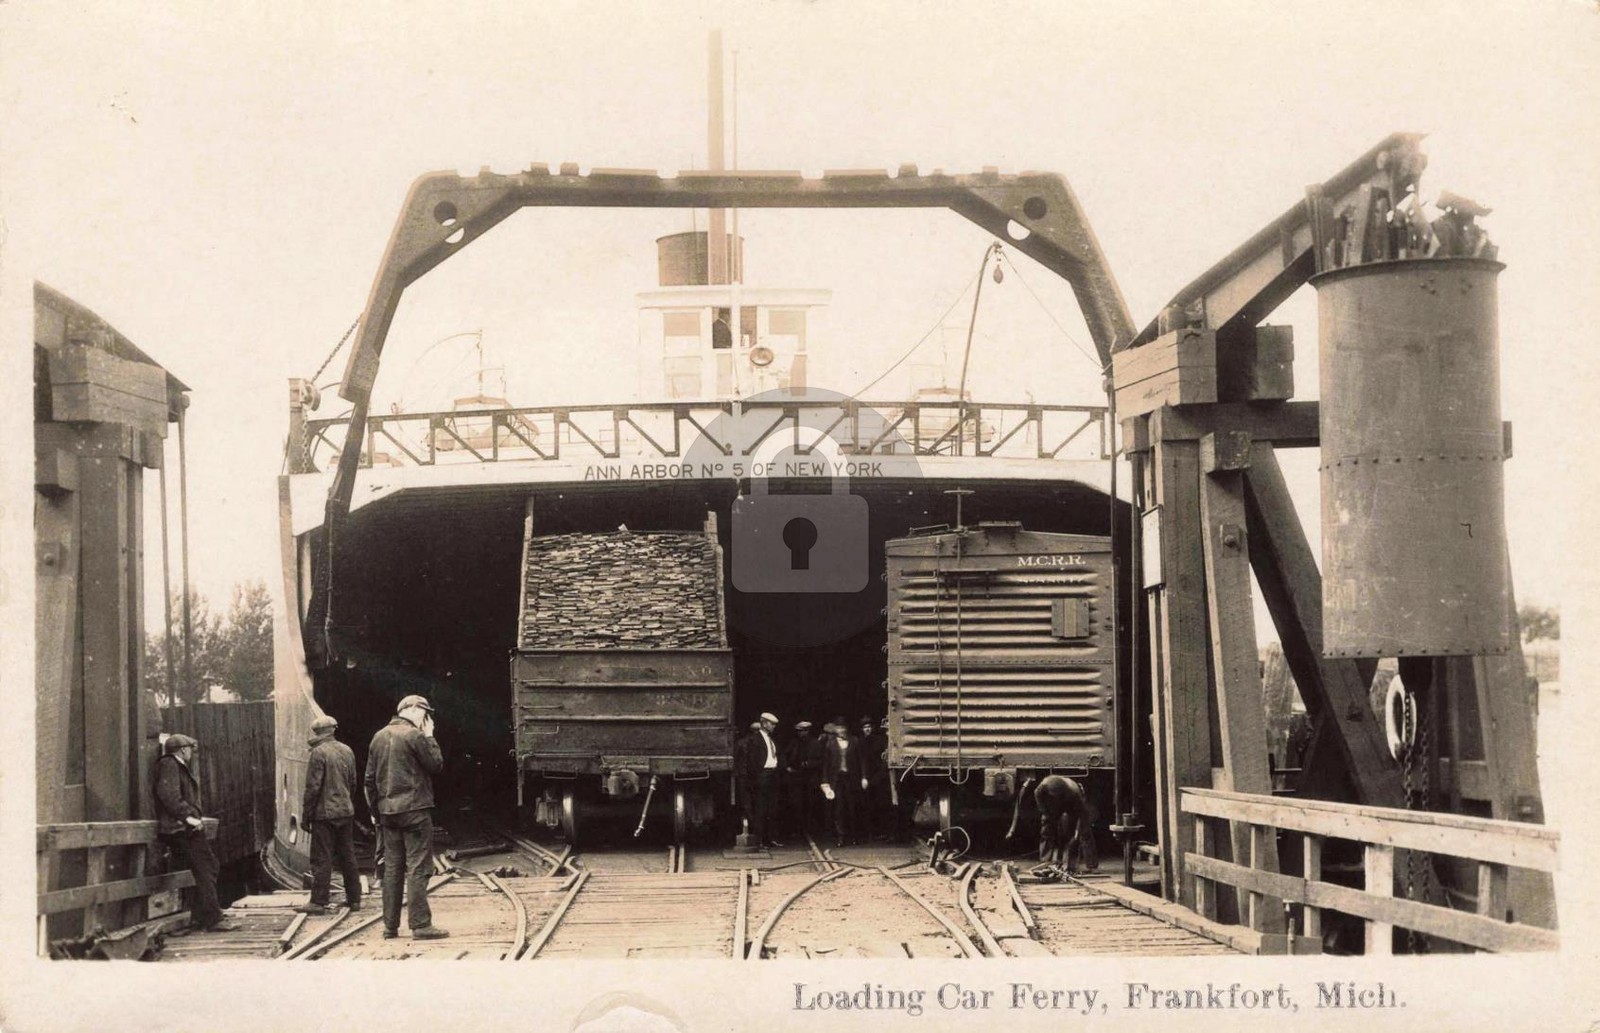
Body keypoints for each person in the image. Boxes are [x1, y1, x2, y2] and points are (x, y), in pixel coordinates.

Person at [365, 695, 447, 940]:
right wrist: (430, 735)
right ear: (411, 710)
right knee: (418, 867)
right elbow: (436, 765)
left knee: (392, 869)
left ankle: (390, 927)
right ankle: (420, 925)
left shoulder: (378, 737)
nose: (426, 718)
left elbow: (369, 780)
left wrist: (375, 813)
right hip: (414, 811)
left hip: (387, 813)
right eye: (425, 713)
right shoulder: (415, 736)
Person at [153, 734, 237, 932]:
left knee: (208, 866)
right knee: (206, 867)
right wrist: (188, 818)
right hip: (182, 828)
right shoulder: (169, 764)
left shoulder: (174, 764)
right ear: (183, 749)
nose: (191, 751)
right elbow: (168, 795)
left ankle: (200, 917)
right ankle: (213, 919)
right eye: (190, 748)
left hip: (184, 827)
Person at [298, 715, 362, 915]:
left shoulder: (318, 753)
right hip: (345, 811)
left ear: (317, 732)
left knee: (321, 858)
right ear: (333, 729)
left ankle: (318, 902)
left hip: (324, 815)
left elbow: (313, 788)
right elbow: (353, 782)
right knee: (348, 856)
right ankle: (354, 899)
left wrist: (306, 816)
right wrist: (346, 803)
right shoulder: (347, 750)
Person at [1034, 774, 1098, 873]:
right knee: (1046, 829)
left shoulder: (1074, 792)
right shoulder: (1041, 789)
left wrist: (1076, 834)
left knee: (1084, 833)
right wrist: (1048, 814)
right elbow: (1040, 802)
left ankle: (1091, 865)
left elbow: (1082, 816)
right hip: (1052, 807)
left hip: (1071, 804)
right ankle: (1045, 861)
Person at [737, 713, 783, 848]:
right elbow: (752, 762)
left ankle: (770, 839)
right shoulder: (754, 740)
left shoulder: (771, 739)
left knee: (772, 808)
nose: (774, 726)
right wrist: (756, 777)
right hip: (762, 776)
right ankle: (760, 840)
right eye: (772, 724)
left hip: (772, 775)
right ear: (764, 723)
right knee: (760, 809)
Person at [820, 717, 863, 847]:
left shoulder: (855, 741)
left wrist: (864, 777)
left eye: (843, 727)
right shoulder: (830, 743)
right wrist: (825, 781)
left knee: (852, 808)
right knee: (839, 809)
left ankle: (854, 836)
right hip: (837, 780)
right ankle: (841, 837)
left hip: (851, 778)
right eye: (839, 728)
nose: (841, 730)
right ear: (836, 730)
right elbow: (826, 764)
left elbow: (862, 761)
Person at [783, 721, 819, 838]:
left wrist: (808, 764)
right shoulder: (794, 743)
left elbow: (821, 761)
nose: (800, 733)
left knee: (810, 804)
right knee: (796, 804)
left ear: (807, 731)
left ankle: (810, 829)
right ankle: (798, 829)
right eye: (798, 731)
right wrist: (787, 767)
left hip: (810, 778)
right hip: (796, 778)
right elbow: (785, 755)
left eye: (802, 731)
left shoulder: (815, 743)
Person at [858, 716, 889, 841]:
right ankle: (867, 832)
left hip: (878, 778)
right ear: (862, 729)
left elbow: (883, 760)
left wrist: (877, 777)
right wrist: (863, 777)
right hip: (864, 778)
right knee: (865, 806)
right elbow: (860, 761)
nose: (867, 729)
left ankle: (880, 831)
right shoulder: (859, 742)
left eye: (869, 727)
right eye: (865, 727)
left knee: (880, 805)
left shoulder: (880, 741)